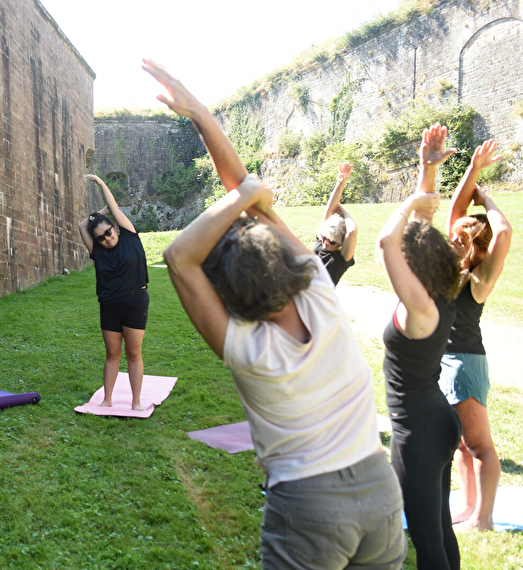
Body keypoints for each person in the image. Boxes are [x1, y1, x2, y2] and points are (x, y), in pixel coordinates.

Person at [147, 58, 405, 569]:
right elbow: (247, 191)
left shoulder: (247, 349)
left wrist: (239, 193)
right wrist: (202, 116)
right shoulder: (318, 290)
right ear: (282, 260)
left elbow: (178, 256)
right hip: (380, 490)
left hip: (310, 506)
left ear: (228, 298)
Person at [377, 123, 463, 569]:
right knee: (440, 529)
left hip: (419, 434)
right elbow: (419, 229)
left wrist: (410, 202)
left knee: (427, 542)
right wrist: (426, 169)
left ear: (415, 265)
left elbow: (387, 241)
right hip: (438, 419)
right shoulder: (439, 293)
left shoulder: (419, 306)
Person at [441, 139, 512, 531]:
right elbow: (455, 209)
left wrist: (484, 196)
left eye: (463, 236)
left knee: (479, 444)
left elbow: (505, 230)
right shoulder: (452, 264)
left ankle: (483, 519)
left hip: (465, 361)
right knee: (462, 445)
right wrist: (473, 168)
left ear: (476, 245)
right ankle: (468, 509)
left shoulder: (478, 280)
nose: (454, 236)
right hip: (446, 360)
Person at [77, 174, 149, 411]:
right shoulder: (97, 251)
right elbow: (80, 226)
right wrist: (98, 215)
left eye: (108, 232)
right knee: (112, 353)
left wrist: (101, 184)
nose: (107, 238)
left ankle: (136, 401)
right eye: (101, 237)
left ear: (115, 227)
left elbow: (115, 207)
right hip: (109, 306)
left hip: (135, 302)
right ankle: (107, 399)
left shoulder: (129, 235)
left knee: (134, 354)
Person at [314, 161, 358, 285]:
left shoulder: (340, 260)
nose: (325, 242)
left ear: (340, 244)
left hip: (319, 303)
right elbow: (329, 210)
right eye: (324, 238)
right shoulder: (321, 243)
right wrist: (341, 182)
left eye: (331, 241)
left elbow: (352, 232)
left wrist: (345, 213)